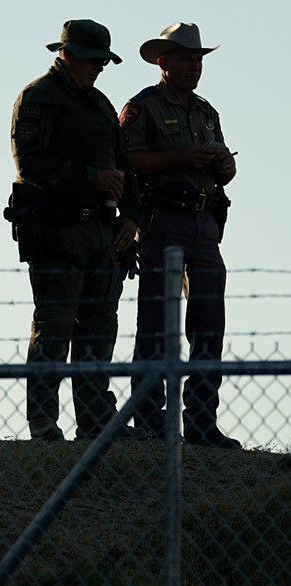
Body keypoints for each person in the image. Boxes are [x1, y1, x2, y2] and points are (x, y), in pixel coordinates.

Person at [7, 19, 148, 442]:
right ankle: (44, 422)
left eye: (102, 61)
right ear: (66, 54)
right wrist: (91, 178)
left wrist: (132, 217)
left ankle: (95, 420)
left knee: (99, 330)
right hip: (57, 230)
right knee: (54, 327)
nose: (97, 67)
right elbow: (30, 164)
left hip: (103, 235)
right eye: (90, 59)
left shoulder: (101, 104)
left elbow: (125, 166)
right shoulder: (38, 96)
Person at [119, 23, 240, 449]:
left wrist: (226, 167)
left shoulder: (207, 112)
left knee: (209, 326)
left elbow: (223, 170)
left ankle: (202, 424)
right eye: (186, 59)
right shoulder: (143, 107)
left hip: (205, 224)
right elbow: (125, 161)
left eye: (199, 59)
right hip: (162, 221)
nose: (195, 66)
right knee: (156, 326)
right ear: (162, 62)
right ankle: (150, 423)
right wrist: (180, 157)